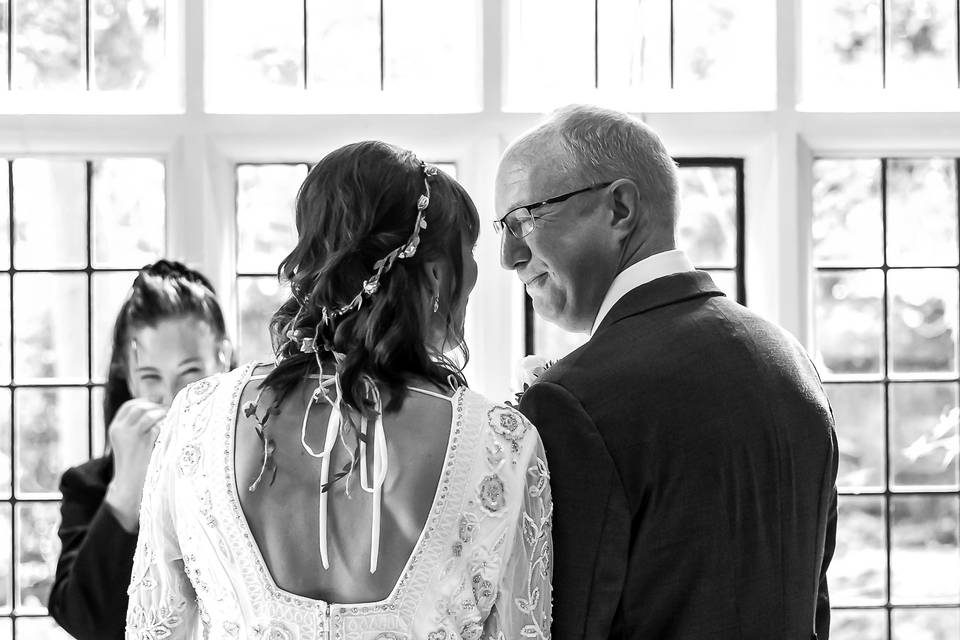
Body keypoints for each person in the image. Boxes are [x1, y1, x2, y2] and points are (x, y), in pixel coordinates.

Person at [125, 141, 553, 639]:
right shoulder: (503, 445)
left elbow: (154, 630)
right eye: (471, 251)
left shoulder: (196, 419)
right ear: (437, 273)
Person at [495, 105, 838, 640]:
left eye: (524, 218)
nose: (508, 255)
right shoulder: (790, 361)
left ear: (621, 207)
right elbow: (812, 602)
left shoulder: (575, 399)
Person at [49, 260, 233, 640]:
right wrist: (126, 488)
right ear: (128, 376)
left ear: (224, 358)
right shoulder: (89, 485)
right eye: (151, 377)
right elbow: (86, 623)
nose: (172, 397)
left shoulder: (259, 468)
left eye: (190, 372)